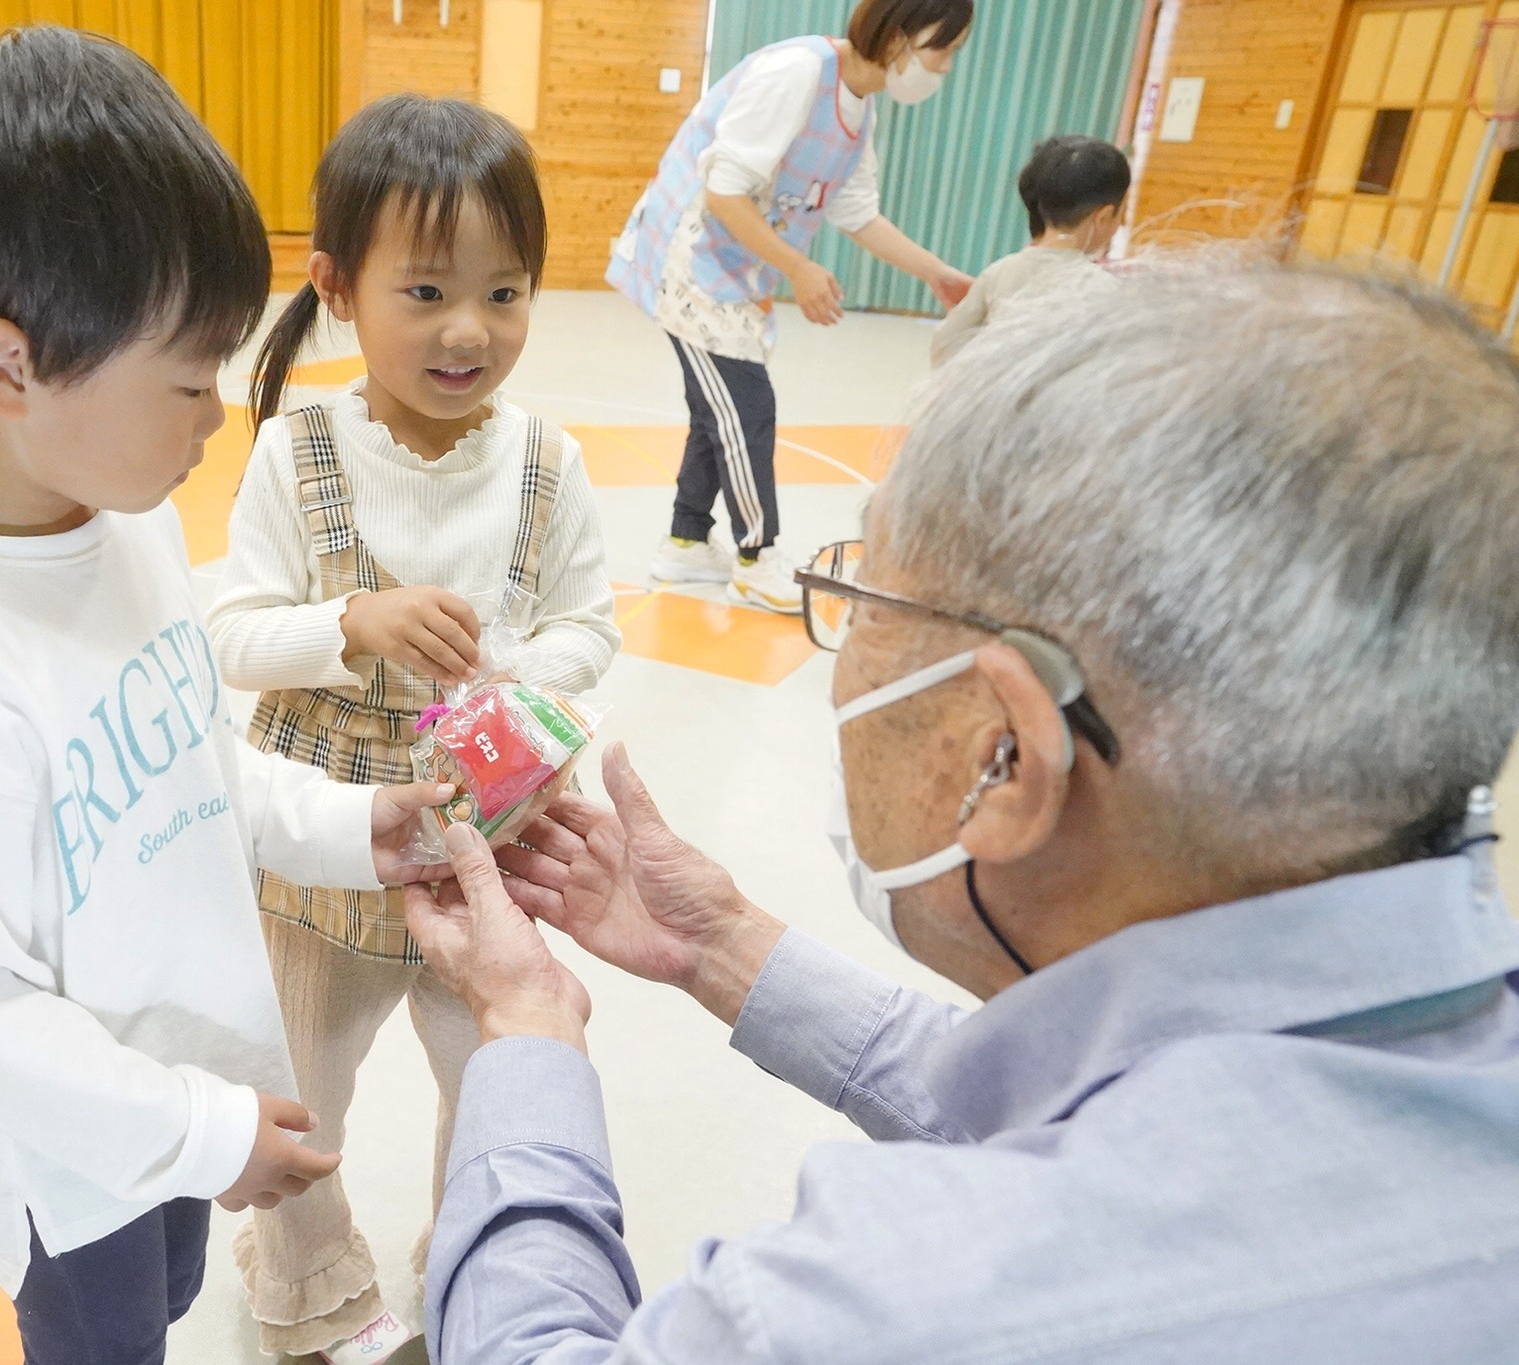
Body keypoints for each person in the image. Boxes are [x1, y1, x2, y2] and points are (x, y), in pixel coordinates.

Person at [406, 259, 1519, 1361]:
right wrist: (722, 944)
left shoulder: (881, 1313)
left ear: (1009, 754)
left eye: (864, 600)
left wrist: (526, 1028)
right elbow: (1096, 1101)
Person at [0, 30, 455, 1365]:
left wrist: (353, 825)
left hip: (194, 1087)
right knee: (106, 1342)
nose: (216, 415)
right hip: (72, 1160)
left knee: (165, 1303)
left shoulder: (130, 526)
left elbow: (197, 761)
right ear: (8, 370)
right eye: (187, 377)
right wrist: (194, 1133)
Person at [209, 94, 619, 1363]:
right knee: (304, 1088)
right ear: (336, 286)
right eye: (427, 291)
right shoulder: (298, 452)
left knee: (492, 1079)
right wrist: (351, 622)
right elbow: (229, 634)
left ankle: (473, 1270)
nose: (467, 330)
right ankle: (310, 1286)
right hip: (321, 842)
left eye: (503, 293)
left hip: (488, 840)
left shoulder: (545, 463)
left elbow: (590, 627)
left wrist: (515, 674)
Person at [610, 0, 978, 614]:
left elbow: (856, 212)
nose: (946, 67)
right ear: (900, 37)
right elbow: (723, 193)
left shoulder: (860, 108)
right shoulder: (797, 72)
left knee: (720, 412)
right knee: (746, 409)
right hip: (692, 260)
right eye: (945, 50)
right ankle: (756, 558)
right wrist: (799, 268)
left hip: (738, 272)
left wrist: (935, 273)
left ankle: (685, 542)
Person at [932, 134, 1130, 366]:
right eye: (1122, 212)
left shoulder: (999, 272)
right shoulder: (1108, 290)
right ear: (1104, 217)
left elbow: (944, 345)